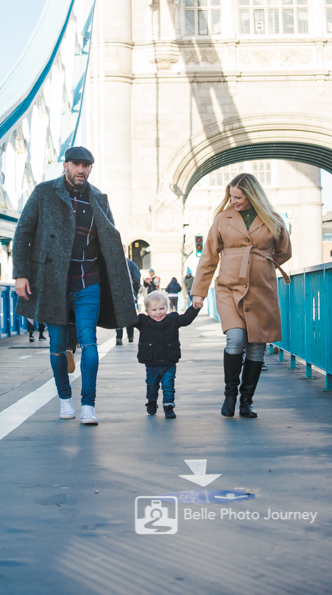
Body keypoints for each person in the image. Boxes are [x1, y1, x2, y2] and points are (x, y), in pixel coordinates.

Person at [13, 146, 137, 425]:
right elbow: (23, 233)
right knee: (57, 345)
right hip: (53, 281)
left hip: (88, 280)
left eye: (87, 165)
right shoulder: (44, 193)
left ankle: (88, 405)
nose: (82, 170)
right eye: (76, 164)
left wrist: (121, 281)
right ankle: (65, 399)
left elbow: (111, 240)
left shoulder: (98, 199)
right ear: (65, 165)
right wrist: (20, 274)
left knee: (89, 341)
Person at [190, 173, 292, 419]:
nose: (233, 201)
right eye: (231, 196)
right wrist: (199, 292)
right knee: (235, 339)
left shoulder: (273, 219)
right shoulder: (222, 219)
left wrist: (260, 265)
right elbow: (209, 257)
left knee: (257, 346)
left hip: (261, 289)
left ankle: (247, 401)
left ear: (252, 195)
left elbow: (284, 251)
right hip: (228, 287)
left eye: (239, 197)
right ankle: (230, 395)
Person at [134, 291, 199, 419]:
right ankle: (152, 401)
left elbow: (186, 319)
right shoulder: (143, 321)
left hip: (169, 362)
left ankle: (168, 407)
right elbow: (127, 319)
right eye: (154, 310)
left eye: (161, 309)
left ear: (167, 308)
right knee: (151, 385)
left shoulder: (173, 319)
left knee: (168, 385)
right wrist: (128, 302)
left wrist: (195, 307)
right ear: (147, 311)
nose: (158, 313)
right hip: (151, 363)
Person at [116, 250, 141, 345]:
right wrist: (135, 292)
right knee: (130, 315)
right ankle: (130, 336)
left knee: (119, 316)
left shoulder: (115, 264)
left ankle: (119, 338)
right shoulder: (132, 265)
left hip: (117, 293)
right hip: (130, 294)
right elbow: (136, 280)